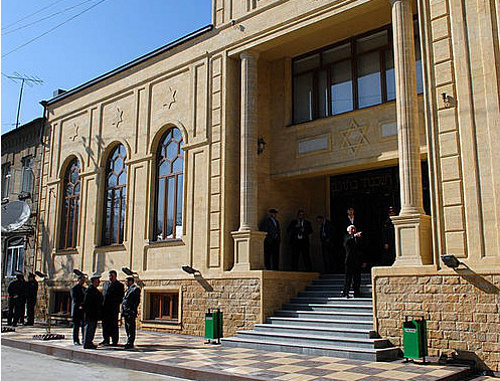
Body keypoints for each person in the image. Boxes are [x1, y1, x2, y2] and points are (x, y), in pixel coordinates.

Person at [100, 270, 125, 346]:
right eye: (110, 276)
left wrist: (115, 303)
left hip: (113, 309)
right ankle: (106, 339)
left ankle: (114, 340)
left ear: (115, 276)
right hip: (105, 308)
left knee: (113, 325)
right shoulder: (105, 284)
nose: (110, 277)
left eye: (112, 276)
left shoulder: (119, 285)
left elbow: (120, 297)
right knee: (105, 325)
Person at [82, 274, 103, 349]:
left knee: (92, 328)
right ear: (94, 281)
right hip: (90, 313)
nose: (99, 282)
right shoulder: (89, 290)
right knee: (89, 328)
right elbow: (87, 302)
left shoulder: (95, 290)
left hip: (94, 313)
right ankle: (87, 343)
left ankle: (89, 341)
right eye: (97, 280)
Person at [342, 225, 362, 298]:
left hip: (357, 261)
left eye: (354, 229)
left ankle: (357, 292)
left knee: (357, 278)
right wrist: (354, 236)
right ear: (349, 230)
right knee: (348, 277)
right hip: (349, 260)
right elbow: (346, 242)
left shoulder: (358, 239)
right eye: (352, 229)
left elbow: (361, 249)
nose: (353, 230)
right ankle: (346, 292)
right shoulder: (347, 237)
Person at [121, 276, 141, 349]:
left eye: (126, 281)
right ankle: (128, 340)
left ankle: (130, 342)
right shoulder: (127, 289)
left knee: (131, 327)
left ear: (131, 281)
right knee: (127, 327)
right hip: (126, 312)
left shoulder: (135, 289)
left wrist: (132, 310)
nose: (125, 283)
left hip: (130, 312)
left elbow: (136, 301)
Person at [70, 274, 87, 345]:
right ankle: (76, 340)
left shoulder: (84, 289)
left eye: (84, 280)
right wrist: (80, 305)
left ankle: (84, 339)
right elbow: (74, 298)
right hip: (76, 309)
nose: (82, 281)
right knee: (76, 326)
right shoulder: (74, 288)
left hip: (83, 310)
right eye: (81, 280)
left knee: (83, 325)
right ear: (78, 280)